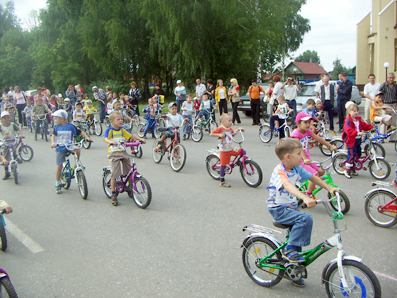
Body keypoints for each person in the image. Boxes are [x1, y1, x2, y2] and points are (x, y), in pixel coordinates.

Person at [267, 138, 338, 286]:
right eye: (299, 153)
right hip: (278, 209)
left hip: (290, 207)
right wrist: (305, 197)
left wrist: (329, 188)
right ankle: (288, 251)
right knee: (305, 219)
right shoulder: (280, 171)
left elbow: (313, 177)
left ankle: (293, 270)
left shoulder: (297, 169)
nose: (303, 156)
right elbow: (287, 185)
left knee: (296, 242)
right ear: (288, 157)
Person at [103, 111, 146, 206]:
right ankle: (113, 194)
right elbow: (105, 138)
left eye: (121, 119)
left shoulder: (122, 130)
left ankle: (130, 187)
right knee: (115, 173)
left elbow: (131, 136)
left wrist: (140, 139)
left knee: (129, 169)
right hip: (114, 154)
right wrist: (111, 142)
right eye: (118, 119)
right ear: (112, 121)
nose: (121, 120)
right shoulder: (110, 130)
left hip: (123, 152)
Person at [291, 112, 336, 197]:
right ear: (298, 124)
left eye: (309, 122)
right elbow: (299, 147)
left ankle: (310, 185)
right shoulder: (296, 134)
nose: (308, 125)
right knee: (315, 175)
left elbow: (318, 138)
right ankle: (308, 195)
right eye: (305, 122)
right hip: (300, 161)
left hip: (307, 159)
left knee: (321, 171)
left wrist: (330, 146)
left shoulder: (307, 131)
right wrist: (304, 159)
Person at [51, 110, 91, 194]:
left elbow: (80, 132)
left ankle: (77, 162)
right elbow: (53, 135)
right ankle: (57, 184)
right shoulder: (56, 127)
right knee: (59, 166)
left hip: (69, 145)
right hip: (60, 147)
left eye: (56, 119)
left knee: (77, 148)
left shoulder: (70, 126)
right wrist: (53, 143)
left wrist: (87, 137)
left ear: (62, 119)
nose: (54, 120)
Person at [210, 113, 244, 188]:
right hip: (224, 149)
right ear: (223, 122)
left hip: (230, 148)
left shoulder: (230, 129)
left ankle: (237, 162)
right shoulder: (220, 128)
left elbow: (232, 134)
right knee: (223, 165)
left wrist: (238, 130)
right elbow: (211, 134)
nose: (231, 122)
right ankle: (222, 181)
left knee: (241, 152)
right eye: (229, 121)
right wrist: (219, 135)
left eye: (231, 120)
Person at [342, 103, 374, 179]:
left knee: (358, 153)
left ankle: (353, 167)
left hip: (357, 140)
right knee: (352, 154)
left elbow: (364, 125)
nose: (356, 112)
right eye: (354, 111)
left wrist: (371, 127)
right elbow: (348, 130)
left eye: (357, 111)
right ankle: (347, 170)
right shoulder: (348, 121)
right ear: (349, 111)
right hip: (351, 140)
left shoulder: (358, 120)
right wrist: (357, 133)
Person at [0, 111, 23, 179]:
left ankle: (16, 157)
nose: (6, 120)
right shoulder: (1, 126)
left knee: (14, 149)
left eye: (8, 118)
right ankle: (6, 172)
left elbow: (19, 129)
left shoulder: (12, 124)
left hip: (12, 141)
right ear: (1, 119)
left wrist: (21, 134)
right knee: (6, 159)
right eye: (4, 118)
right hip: (5, 142)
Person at [379, 72, 397, 141]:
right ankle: (382, 137)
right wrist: (381, 104)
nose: (391, 79)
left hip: (394, 104)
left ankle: (393, 138)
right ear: (387, 78)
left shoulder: (395, 86)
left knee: (394, 122)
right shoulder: (383, 85)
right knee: (384, 120)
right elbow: (380, 95)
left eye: (392, 77)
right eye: (390, 77)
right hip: (386, 104)